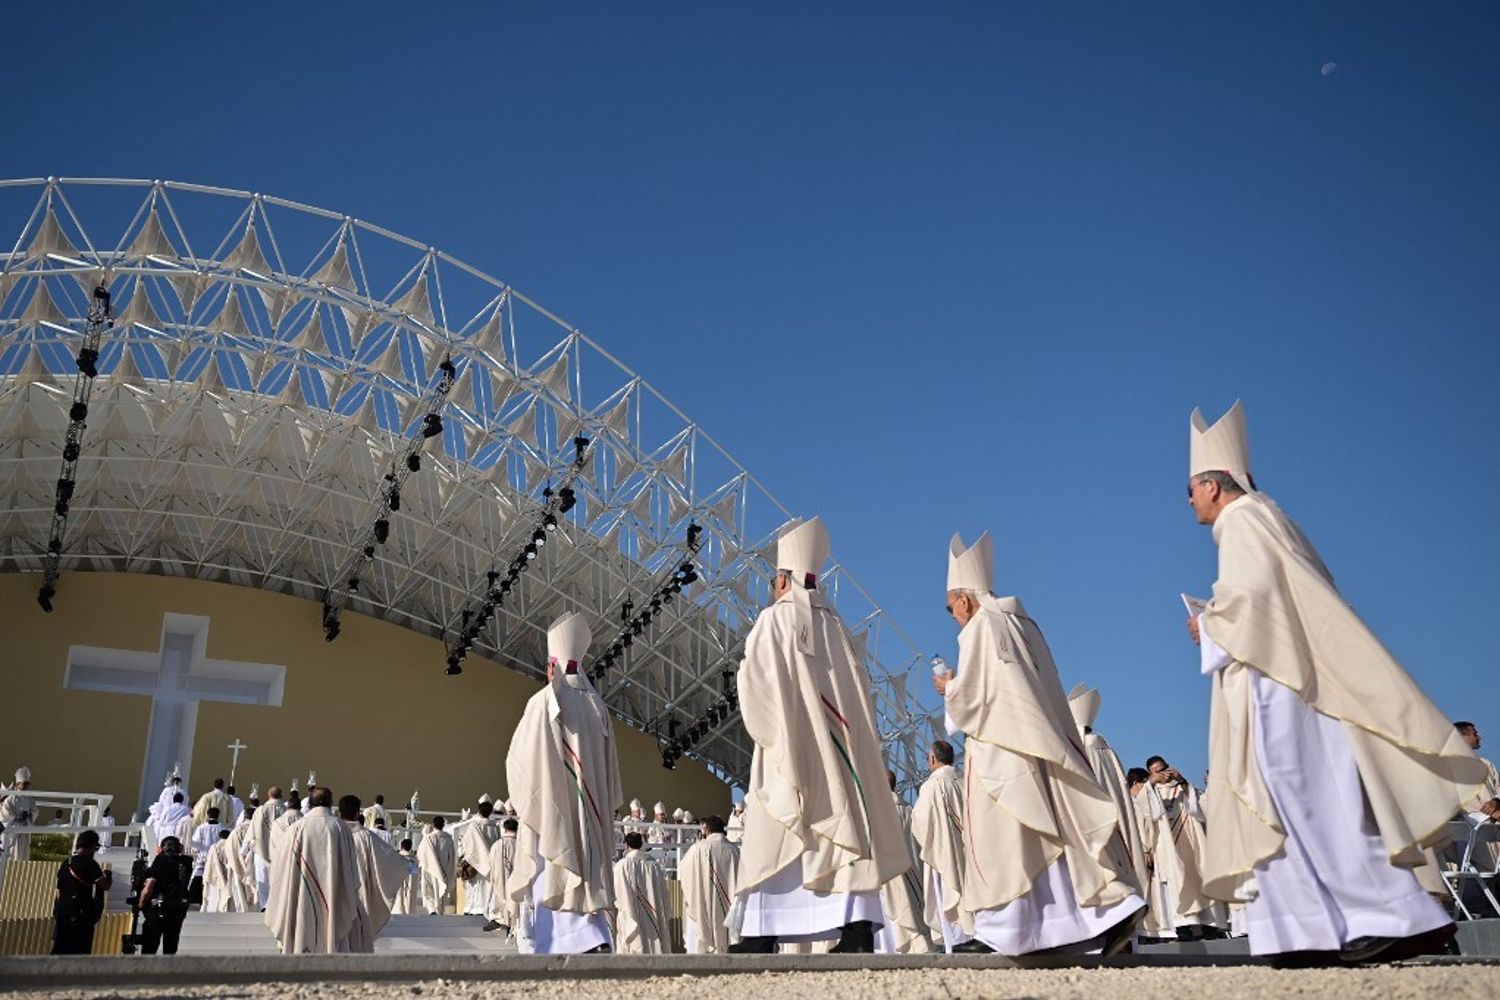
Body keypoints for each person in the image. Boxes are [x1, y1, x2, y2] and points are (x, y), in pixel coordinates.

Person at [1184, 400, 1493, 963]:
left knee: (1307, 799)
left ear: (1211, 486)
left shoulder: (1246, 520)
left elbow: (1253, 602)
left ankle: (1393, 915)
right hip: (1289, 674)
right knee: (1287, 801)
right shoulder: (1271, 519)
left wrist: (1207, 622)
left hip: (1282, 683)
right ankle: (1303, 929)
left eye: (1191, 489)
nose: (1188, 501)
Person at [936, 531, 1144, 956]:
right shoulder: (1021, 622)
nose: (953, 617)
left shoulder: (978, 628)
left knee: (1007, 840)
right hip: (1040, 738)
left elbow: (974, 695)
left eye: (951, 608)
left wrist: (949, 687)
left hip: (1000, 746)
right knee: (1050, 837)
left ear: (964, 600)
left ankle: (1006, 930)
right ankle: (1094, 917)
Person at [730, 517, 910, 954]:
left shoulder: (774, 620)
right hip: (841, 754)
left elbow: (753, 684)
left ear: (782, 580)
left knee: (778, 829)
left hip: (789, 748)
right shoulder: (840, 629)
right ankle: (856, 928)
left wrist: (781, 737)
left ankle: (761, 931)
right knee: (844, 828)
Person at [506, 612, 622, 954]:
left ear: (551, 665)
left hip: (554, 808)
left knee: (553, 867)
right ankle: (592, 935)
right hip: (591, 806)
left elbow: (521, 759)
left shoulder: (544, 701)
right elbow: (611, 771)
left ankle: (572, 941)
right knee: (582, 868)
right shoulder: (597, 705)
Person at [265, 785, 361, 954]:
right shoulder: (340, 827)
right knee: (331, 934)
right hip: (334, 895)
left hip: (301, 892)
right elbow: (350, 868)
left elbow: (281, 867)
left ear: (309, 803)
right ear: (331, 803)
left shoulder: (296, 828)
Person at [1136, 756, 1221, 940]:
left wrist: (1182, 780)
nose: (1162, 774)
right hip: (1166, 847)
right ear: (1151, 774)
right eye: (1156, 772)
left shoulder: (1183, 788)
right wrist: (1150, 783)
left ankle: (1208, 926)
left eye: (1163, 768)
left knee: (1198, 880)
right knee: (1176, 885)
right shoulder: (1151, 791)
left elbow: (1199, 809)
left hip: (1191, 843)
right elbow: (1146, 812)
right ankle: (1182, 927)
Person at [913, 739, 970, 952]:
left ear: (933, 759)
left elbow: (920, 822)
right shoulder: (965, 779)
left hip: (944, 851)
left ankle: (955, 943)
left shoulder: (932, 785)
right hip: (970, 851)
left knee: (947, 893)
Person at [339, 794, 408, 953]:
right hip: (358, 895)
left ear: (339, 812)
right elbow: (388, 858)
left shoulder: (331, 833)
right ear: (357, 813)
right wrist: (405, 864)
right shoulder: (365, 836)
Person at [876, 770, 934, 954]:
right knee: (912, 913)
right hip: (912, 872)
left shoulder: (878, 813)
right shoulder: (909, 810)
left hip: (889, 876)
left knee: (893, 916)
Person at [679, 816, 739, 953]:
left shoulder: (699, 848)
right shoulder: (734, 850)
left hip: (703, 902)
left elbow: (684, 869)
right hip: (728, 904)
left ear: (706, 829)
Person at [51, 830, 111, 954]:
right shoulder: (90, 863)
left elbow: (58, 891)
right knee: (80, 951)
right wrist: (108, 876)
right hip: (81, 915)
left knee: (60, 949)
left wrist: (58, 911)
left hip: (63, 914)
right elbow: (104, 886)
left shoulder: (66, 863)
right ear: (92, 846)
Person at [613, 830, 673, 954]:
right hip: (653, 914)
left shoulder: (621, 866)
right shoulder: (654, 867)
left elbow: (617, 894)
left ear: (626, 846)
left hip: (631, 913)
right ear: (641, 845)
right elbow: (663, 894)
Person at [138, 836, 193, 955]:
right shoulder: (186, 862)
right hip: (178, 908)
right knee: (171, 946)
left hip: (158, 907)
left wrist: (141, 904)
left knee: (150, 946)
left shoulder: (160, 860)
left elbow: (149, 886)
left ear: (162, 848)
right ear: (179, 848)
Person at [460, 797, 503, 917]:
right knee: (486, 886)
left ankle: (473, 908)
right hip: (491, 859)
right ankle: (484, 907)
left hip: (476, 859)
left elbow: (467, 842)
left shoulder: (474, 825)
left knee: (475, 886)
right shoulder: (494, 825)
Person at [249, 785, 285, 908]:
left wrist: (244, 849)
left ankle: (264, 906)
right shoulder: (286, 810)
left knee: (262, 881)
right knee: (279, 880)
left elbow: (251, 832)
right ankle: (277, 906)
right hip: (280, 852)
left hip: (261, 850)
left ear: (268, 796)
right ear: (281, 795)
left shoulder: (260, 810)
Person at [482, 818, 520, 934]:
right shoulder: (520, 845)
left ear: (504, 829)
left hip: (499, 878)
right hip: (515, 879)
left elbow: (490, 863)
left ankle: (500, 919)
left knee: (500, 896)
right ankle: (512, 925)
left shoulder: (496, 845)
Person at [417, 814, 456, 915]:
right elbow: (452, 857)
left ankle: (432, 909)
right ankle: (439, 909)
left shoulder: (428, 838)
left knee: (430, 890)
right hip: (445, 868)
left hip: (430, 869)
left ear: (433, 825)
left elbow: (420, 854)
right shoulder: (448, 839)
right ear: (443, 825)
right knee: (440, 888)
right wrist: (451, 869)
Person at [187, 806, 226, 905]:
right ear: (218, 816)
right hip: (217, 857)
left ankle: (196, 898)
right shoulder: (222, 827)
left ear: (208, 815)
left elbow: (195, 842)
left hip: (203, 856)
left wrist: (197, 851)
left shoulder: (202, 827)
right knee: (215, 877)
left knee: (197, 877)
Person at [202, 829, 237, 912]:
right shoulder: (232, 845)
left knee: (216, 895)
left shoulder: (214, 847)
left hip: (216, 874)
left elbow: (210, 863)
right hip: (230, 873)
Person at [391, 838, 422, 916]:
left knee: (399, 898)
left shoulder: (397, 857)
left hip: (399, 882)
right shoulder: (414, 859)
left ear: (401, 846)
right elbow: (414, 874)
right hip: (410, 883)